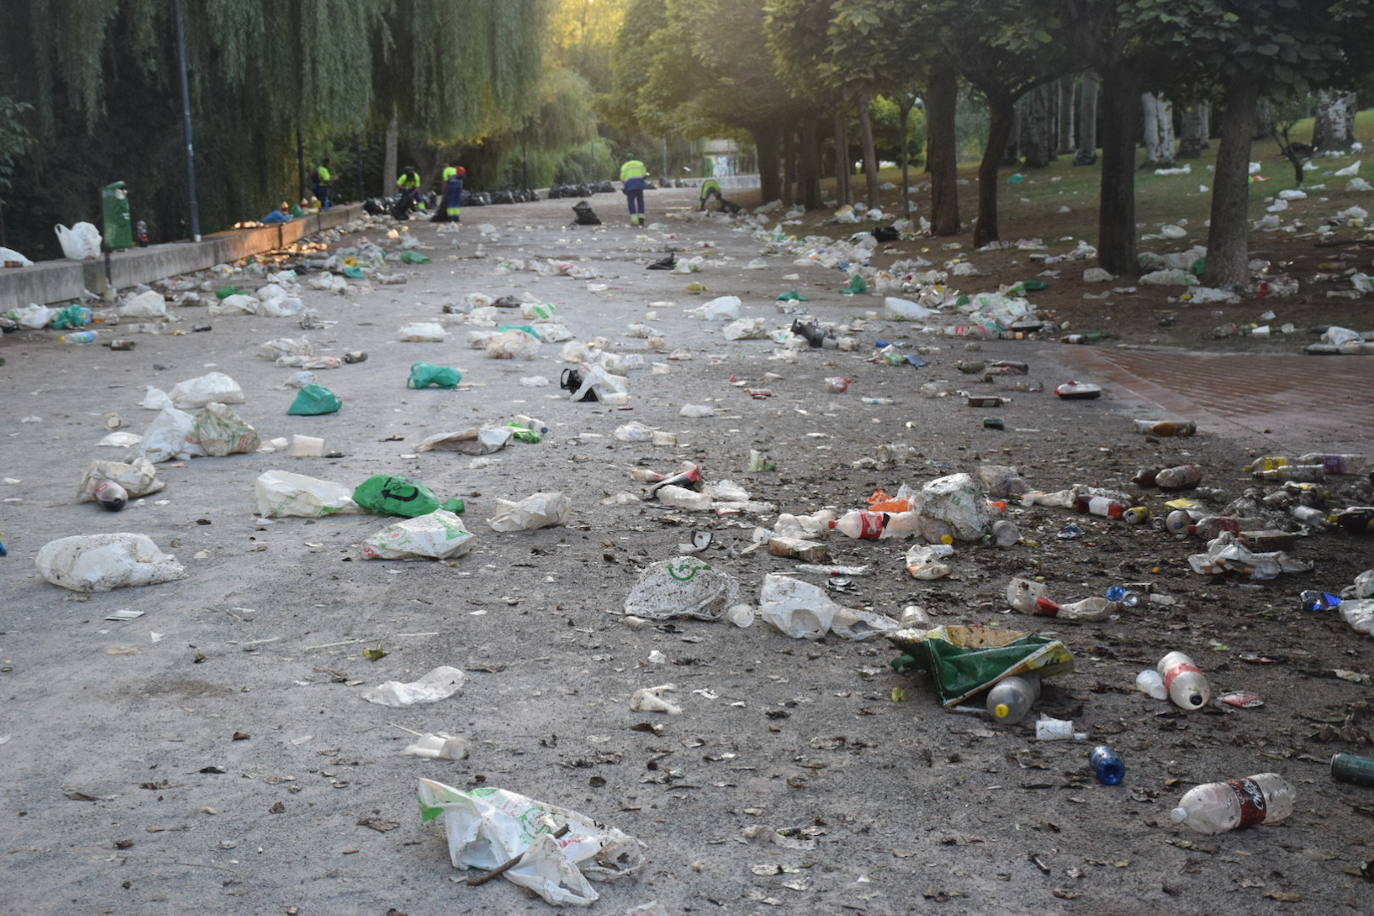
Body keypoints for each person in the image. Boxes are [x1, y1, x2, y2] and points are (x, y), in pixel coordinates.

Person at [619, 157, 648, 226]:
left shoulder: (625, 166)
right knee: (640, 201)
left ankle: (634, 220)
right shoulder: (640, 163)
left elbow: (622, 178)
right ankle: (641, 218)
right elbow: (644, 175)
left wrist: (625, 185)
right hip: (639, 186)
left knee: (631, 201)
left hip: (630, 186)